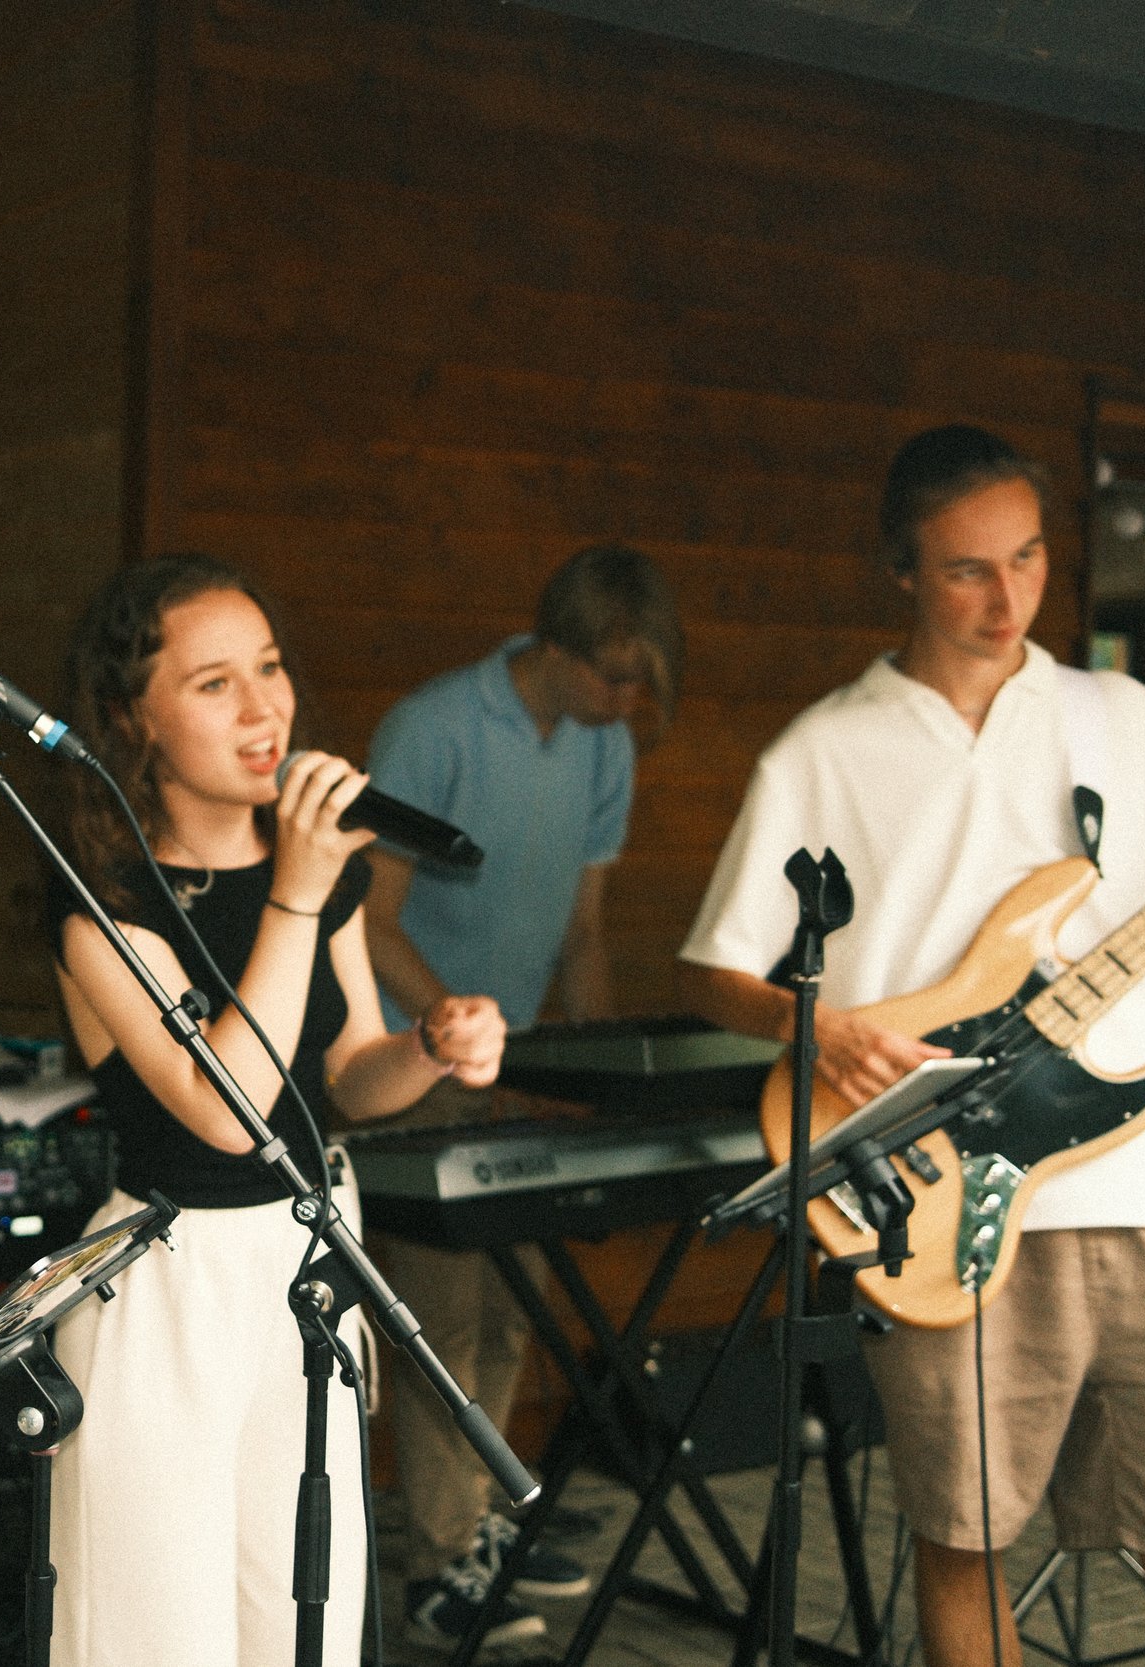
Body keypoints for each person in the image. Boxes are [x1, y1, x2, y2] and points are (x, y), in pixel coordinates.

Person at [678, 425, 1145, 1667]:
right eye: (969, 568)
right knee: (965, 1550)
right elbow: (716, 967)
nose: (1006, 596)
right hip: (944, 1199)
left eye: (1027, 560)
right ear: (903, 571)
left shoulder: (1121, 716)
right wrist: (817, 1030)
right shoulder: (823, 748)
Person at [44, 553, 507, 1667]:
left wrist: (428, 1048)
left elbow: (341, 1077)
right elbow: (225, 1110)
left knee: (296, 1614)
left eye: (270, 666)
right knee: (160, 1631)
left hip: (300, 1268)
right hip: (166, 1284)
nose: (265, 707)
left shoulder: (324, 875)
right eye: (214, 683)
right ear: (133, 720)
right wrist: (294, 893)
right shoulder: (104, 913)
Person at [361, 542, 683, 1653]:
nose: (625, 700)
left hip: (522, 1069)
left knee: (512, 1311)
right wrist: (455, 1024)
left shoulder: (602, 746)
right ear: (554, 644)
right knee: (443, 1317)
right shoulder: (433, 727)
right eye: (612, 674)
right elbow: (371, 916)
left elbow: (582, 933)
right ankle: (435, 1566)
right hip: (416, 1061)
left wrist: (584, 1071)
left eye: (640, 682)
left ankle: (483, 1524)